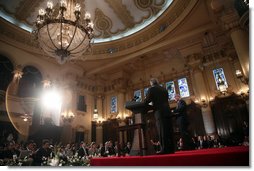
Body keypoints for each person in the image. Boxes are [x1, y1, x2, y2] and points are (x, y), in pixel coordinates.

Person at [144, 78, 175, 154]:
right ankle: (171, 149)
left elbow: (147, 100)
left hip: (159, 112)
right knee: (168, 130)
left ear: (151, 83)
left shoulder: (151, 89)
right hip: (167, 111)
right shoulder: (164, 89)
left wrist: (144, 102)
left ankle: (164, 149)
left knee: (162, 130)